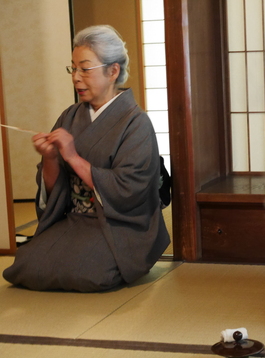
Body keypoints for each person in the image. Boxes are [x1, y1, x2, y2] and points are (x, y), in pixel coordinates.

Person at [3, 25, 170, 292]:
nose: (76, 78)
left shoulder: (136, 123)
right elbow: (55, 189)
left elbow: (130, 190)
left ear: (113, 71)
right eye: (73, 69)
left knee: (88, 273)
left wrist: (72, 156)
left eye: (85, 69)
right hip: (75, 219)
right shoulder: (70, 116)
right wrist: (50, 159)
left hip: (119, 225)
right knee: (26, 265)